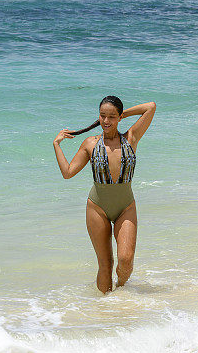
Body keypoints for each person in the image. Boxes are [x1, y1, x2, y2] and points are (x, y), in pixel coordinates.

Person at [53, 96, 157, 294]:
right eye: (102, 116)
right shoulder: (90, 144)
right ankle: (104, 310)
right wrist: (57, 145)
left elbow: (150, 107)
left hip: (125, 207)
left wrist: (122, 115)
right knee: (105, 266)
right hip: (97, 207)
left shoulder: (131, 138)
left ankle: (121, 293)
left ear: (119, 118)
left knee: (125, 260)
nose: (106, 121)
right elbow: (67, 173)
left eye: (111, 117)